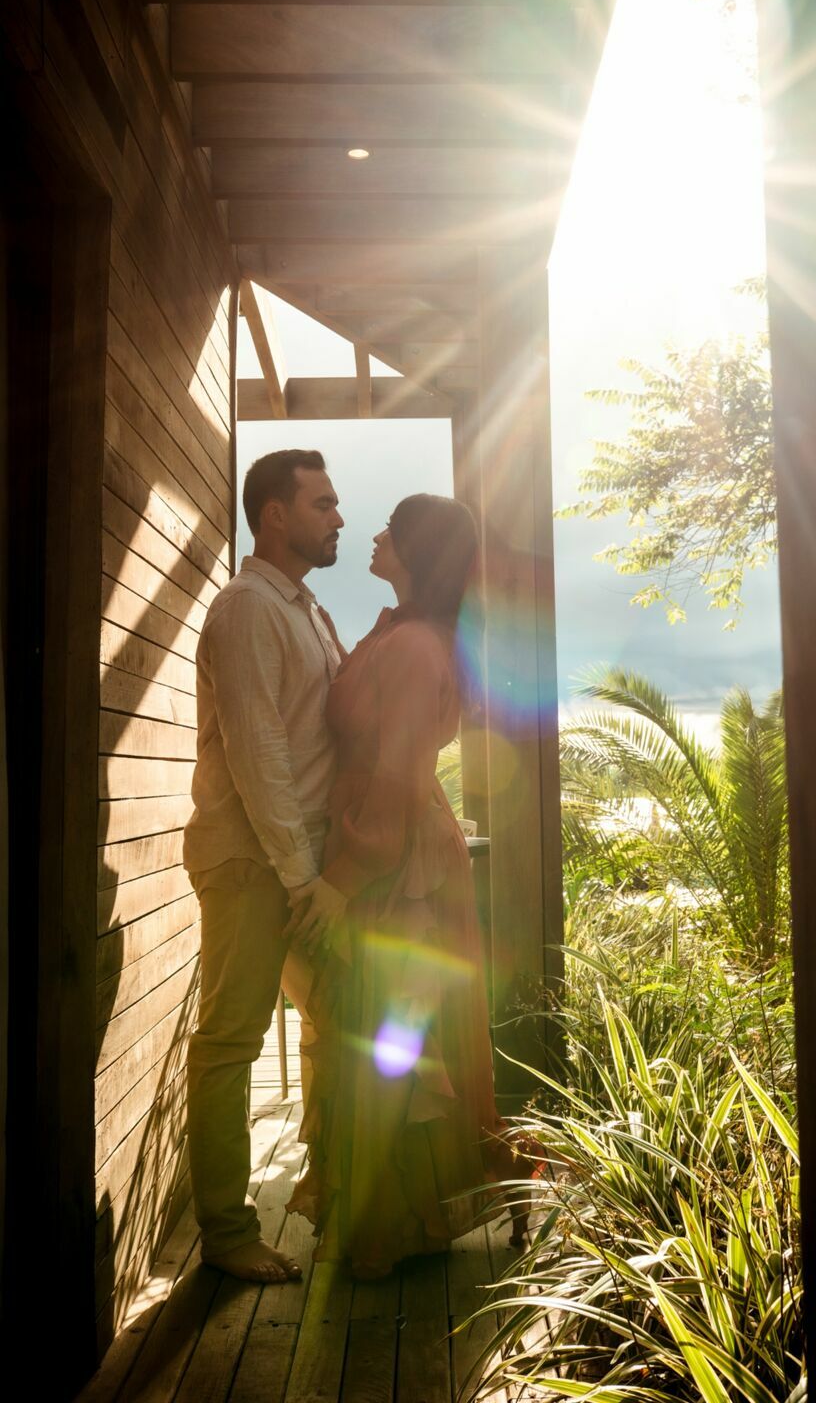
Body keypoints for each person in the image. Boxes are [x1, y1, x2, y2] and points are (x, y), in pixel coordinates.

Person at [284, 493, 511, 1278]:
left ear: (415, 546)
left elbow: (400, 775)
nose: (373, 532)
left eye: (389, 524)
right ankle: (389, 1219)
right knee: (377, 1033)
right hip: (388, 848)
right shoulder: (400, 632)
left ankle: (384, 1227)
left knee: (389, 1038)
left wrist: (344, 877)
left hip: (397, 859)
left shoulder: (416, 647)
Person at [183, 447, 349, 1284]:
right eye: (322, 504)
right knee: (228, 1043)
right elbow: (259, 754)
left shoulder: (307, 610)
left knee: (337, 1021)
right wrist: (299, 877)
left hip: (298, 864)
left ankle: (336, 1190)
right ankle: (225, 1233)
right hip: (256, 865)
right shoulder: (249, 608)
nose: (339, 519)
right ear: (274, 515)